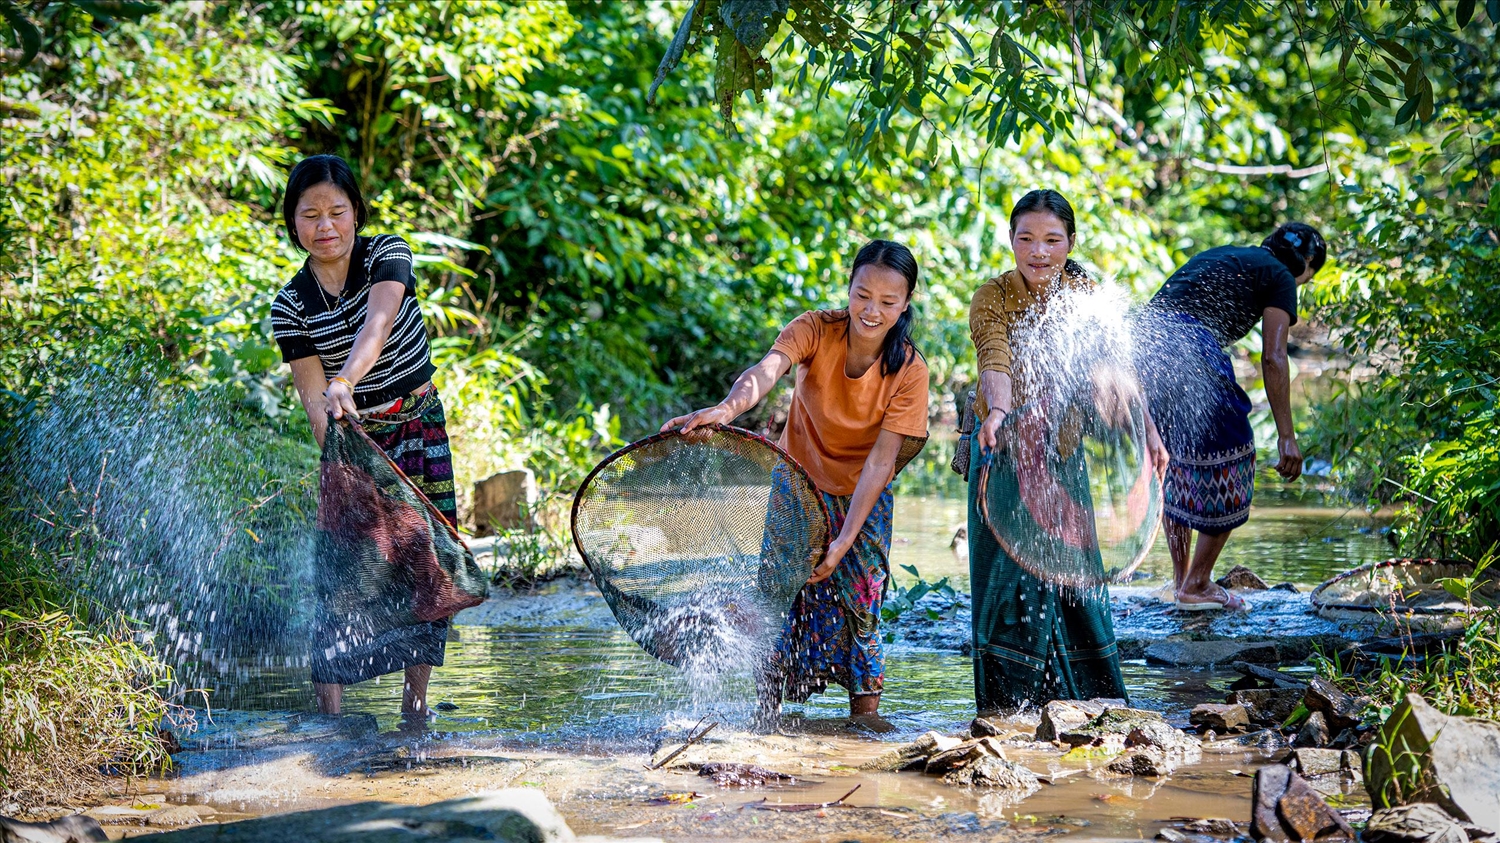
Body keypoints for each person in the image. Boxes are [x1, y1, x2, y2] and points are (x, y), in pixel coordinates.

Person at [662, 240, 930, 727]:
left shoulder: (910, 370)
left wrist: (844, 540)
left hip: (863, 495)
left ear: (905, 304)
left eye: (888, 303)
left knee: (863, 604)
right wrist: (726, 408)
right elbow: (766, 371)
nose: (871, 311)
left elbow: (880, 462)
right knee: (775, 596)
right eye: (861, 295)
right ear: (848, 289)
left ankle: (865, 721)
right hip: (796, 484)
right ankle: (765, 718)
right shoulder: (815, 328)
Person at [270, 154, 456, 724]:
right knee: (340, 574)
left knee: (422, 569)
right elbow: (310, 394)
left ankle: (416, 707)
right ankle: (329, 717)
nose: (325, 226)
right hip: (353, 444)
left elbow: (378, 324)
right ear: (293, 223)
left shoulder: (387, 255)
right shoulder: (290, 305)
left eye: (337, 212)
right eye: (311, 215)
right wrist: (343, 466)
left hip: (416, 428)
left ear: (357, 214)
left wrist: (345, 379)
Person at [966, 189, 1166, 712]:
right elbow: (995, 361)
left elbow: (1116, 372)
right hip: (1002, 454)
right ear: (1011, 241)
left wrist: (1148, 434)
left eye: (1053, 240)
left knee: (1076, 581)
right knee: (1005, 587)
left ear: (1070, 242)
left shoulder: (1086, 295)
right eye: (1026, 239)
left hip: (1062, 455)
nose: (1039, 252)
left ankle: (1093, 705)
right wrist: (998, 413)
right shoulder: (992, 296)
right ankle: (1004, 712)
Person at [1136, 223, 1327, 611]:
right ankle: (1198, 583)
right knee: (1235, 457)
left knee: (1180, 465)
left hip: (1146, 347)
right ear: (1305, 265)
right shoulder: (1280, 275)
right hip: (1187, 346)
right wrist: (1287, 436)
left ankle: (1182, 581)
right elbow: (1274, 357)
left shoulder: (1232, 255)